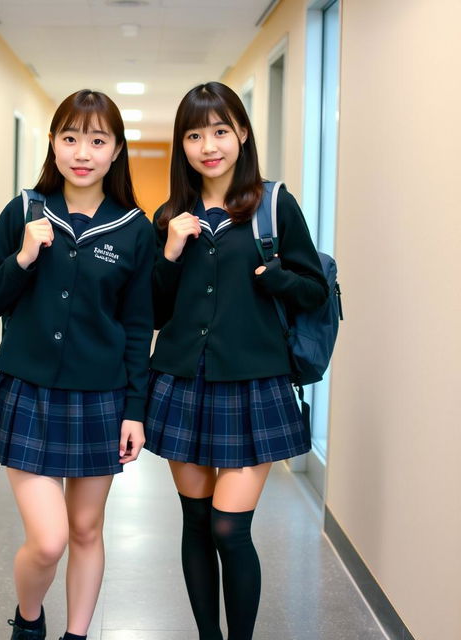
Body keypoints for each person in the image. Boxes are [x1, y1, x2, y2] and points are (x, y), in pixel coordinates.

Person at [0, 89, 154, 640]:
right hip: (28, 395)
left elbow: (138, 328)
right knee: (47, 541)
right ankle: (29, 621)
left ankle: (76, 635)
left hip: (100, 399)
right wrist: (23, 258)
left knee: (86, 529)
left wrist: (134, 411)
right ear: (52, 142)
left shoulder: (133, 230)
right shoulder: (24, 211)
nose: (82, 152)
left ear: (116, 149)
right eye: (70, 138)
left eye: (97, 141)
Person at [144, 81, 329, 639]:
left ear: (242, 134)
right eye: (195, 134)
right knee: (196, 523)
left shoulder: (274, 205)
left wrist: (278, 279)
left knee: (229, 527)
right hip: (182, 382)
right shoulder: (170, 216)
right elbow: (152, 311)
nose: (209, 145)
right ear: (183, 145)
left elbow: (315, 290)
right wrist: (171, 251)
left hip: (254, 385)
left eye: (220, 131)